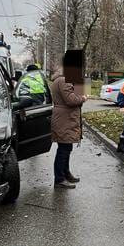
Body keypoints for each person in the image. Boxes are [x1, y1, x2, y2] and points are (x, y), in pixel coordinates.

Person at [50, 49, 87, 189]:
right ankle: (59, 179)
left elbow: (74, 93)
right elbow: (71, 100)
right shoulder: (64, 79)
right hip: (64, 119)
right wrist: (82, 98)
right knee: (63, 150)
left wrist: (80, 87)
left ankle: (65, 174)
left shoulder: (64, 78)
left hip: (65, 118)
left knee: (66, 148)